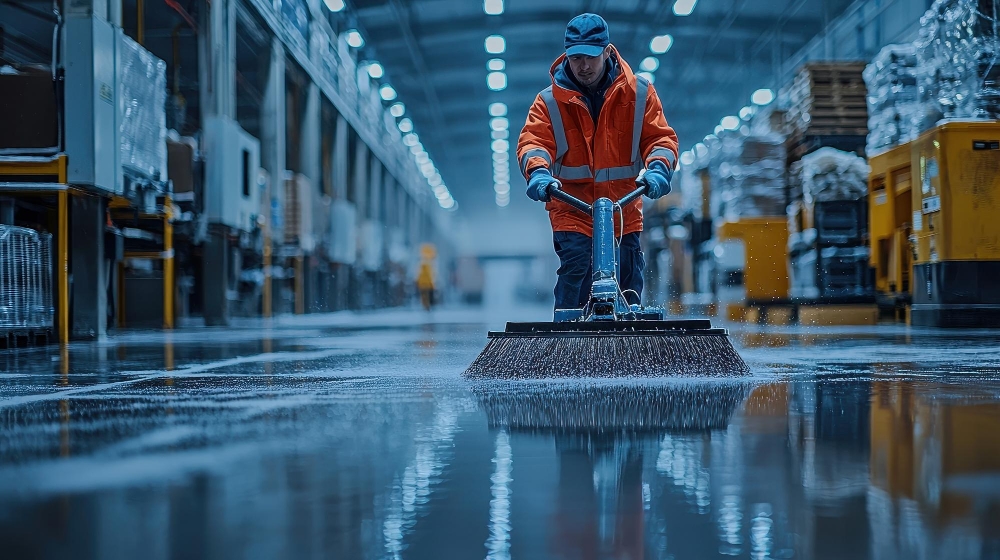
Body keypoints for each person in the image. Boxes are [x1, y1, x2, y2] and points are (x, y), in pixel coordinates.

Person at [517, 13, 679, 315]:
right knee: (576, 269)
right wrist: (538, 172)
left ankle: (628, 339)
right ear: (567, 56)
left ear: (607, 51)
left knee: (628, 278)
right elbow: (533, 142)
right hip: (572, 209)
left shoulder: (639, 93)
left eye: (591, 57)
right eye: (576, 57)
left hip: (622, 208)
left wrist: (658, 168)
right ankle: (567, 341)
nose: (584, 66)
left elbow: (660, 139)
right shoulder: (549, 102)